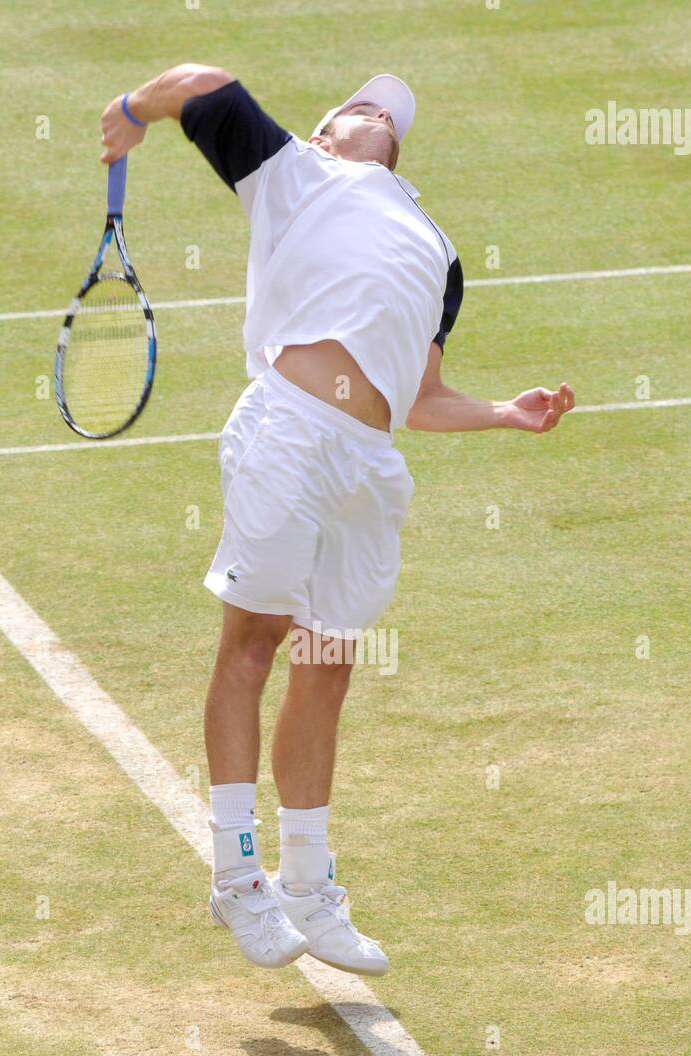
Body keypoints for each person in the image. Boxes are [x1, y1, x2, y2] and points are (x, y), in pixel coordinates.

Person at [100, 66, 575, 976]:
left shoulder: (437, 249)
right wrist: (131, 114)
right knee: (252, 644)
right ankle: (238, 879)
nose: (374, 114)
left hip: (367, 466)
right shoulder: (293, 174)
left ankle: (310, 888)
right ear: (322, 135)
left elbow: (419, 395)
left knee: (327, 666)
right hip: (288, 431)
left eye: (384, 113)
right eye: (356, 108)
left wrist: (503, 414)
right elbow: (203, 82)